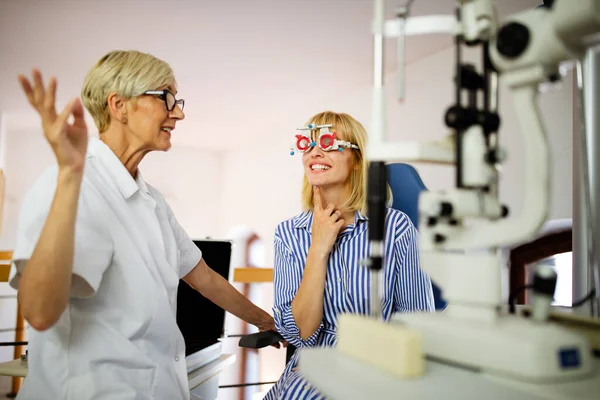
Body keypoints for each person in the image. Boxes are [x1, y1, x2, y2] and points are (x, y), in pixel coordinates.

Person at [10, 50, 281, 400]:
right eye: (166, 98)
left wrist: (266, 321)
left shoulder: (151, 200)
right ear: (119, 105)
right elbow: (39, 311)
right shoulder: (69, 185)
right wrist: (68, 175)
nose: (179, 112)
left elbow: (204, 278)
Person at [265, 111, 435, 400]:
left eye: (329, 142)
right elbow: (301, 333)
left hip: (379, 365)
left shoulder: (395, 227)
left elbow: (419, 321)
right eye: (307, 144)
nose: (315, 152)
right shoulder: (288, 234)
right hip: (312, 367)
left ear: (356, 160)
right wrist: (318, 248)